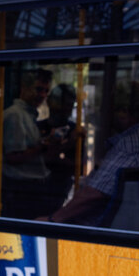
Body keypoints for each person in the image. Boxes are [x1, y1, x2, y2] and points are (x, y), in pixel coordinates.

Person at [48, 80, 139, 226]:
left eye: (108, 109)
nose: (103, 115)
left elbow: (94, 194)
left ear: (123, 112)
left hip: (99, 230)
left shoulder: (131, 145)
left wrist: (53, 219)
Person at [0, 68, 53, 219]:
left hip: (29, 190)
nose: (42, 95)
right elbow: (13, 157)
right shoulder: (15, 115)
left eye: (45, 91)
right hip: (21, 191)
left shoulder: (28, 115)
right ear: (24, 87)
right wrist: (42, 147)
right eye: (38, 89)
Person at [36, 83, 83, 211]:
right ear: (49, 103)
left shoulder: (75, 131)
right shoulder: (37, 128)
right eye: (57, 104)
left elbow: (78, 168)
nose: (62, 109)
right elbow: (37, 161)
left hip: (61, 191)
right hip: (35, 191)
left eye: (67, 104)